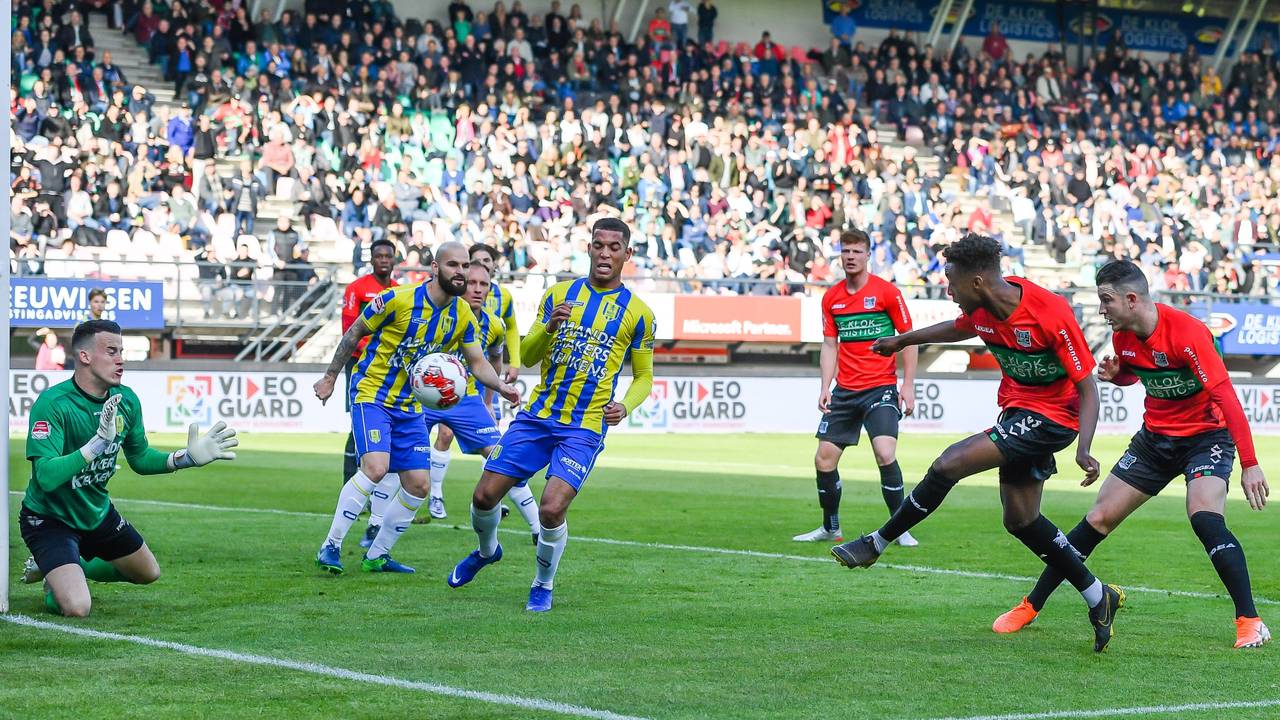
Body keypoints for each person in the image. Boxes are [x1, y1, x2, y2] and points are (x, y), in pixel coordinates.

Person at [830, 234, 1124, 653]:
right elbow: (958, 328)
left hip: (1054, 419)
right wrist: (903, 339)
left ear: (978, 281)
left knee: (949, 463)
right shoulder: (981, 310)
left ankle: (876, 542)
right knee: (1021, 520)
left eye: (952, 283)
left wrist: (1084, 447)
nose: (949, 291)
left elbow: (1087, 387)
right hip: (1017, 413)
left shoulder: (1049, 312)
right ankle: (1098, 595)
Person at [993, 260, 1271, 649]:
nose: (1101, 309)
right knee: (1097, 519)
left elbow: (1226, 397)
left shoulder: (1189, 333)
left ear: (1132, 299)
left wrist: (1250, 464)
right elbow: (1137, 371)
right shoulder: (1123, 337)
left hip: (1206, 438)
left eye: (1106, 300)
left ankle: (1250, 621)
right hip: (1154, 440)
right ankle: (1031, 605)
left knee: (1205, 517)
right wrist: (1118, 376)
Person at [447, 217, 656, 613]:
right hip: (537, 418)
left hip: (584, 426)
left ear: (627, 254)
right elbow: (526, 356)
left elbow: (644, 376)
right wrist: (549, 326)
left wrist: (625, 405)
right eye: (599, 245)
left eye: (614, 247)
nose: (605, 253)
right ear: (589, 249)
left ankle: (542, 585)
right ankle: (487, 551)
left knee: (551, 507)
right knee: (483, 496)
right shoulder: (559, 294)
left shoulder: (639, 314)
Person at [312, 242, 520, 575]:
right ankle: (330, 546)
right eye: (453, 265)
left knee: (419, 484)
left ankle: (377, 555)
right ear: (435, 268)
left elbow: (478, 361)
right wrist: (330, 377)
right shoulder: (398, 299)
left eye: (465, 266)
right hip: (373, 394)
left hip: (410, 405)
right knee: (376, 468)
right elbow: (355, 332)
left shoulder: (462, 314)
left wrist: (500, 386)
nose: (461, 272)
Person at [18, 320, 239, 617]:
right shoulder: (53, 404)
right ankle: (56, 577)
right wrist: (95, 445)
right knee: (78, 607)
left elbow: (140, 457)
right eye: (111, 351)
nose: (120, 359)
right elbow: (45, 477)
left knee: (148, 572)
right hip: (49, 518)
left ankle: (66, 567)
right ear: (84, 356)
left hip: (96, 512)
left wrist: (184, 458)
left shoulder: (127, 400)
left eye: (121, 351)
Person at [361, 264, 541, 546]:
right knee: (400, 460)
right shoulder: (439, 313)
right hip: (424, 397)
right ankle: (375, 524)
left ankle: (538, 527)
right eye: (472, 283)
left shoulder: (494, 324)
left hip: (467, 399)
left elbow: (493, 360)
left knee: (501, 456)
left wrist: (490, 401)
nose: (478, 290)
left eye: (484, 285)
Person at [795, 229, 918, 544]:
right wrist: (825, 386)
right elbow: (829, 345)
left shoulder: (887, 293)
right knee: (823, 459)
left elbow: (908, 339)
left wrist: (908, 385)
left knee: (885, 452)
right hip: (845, 391)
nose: (850, 256)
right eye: (846, 251)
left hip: (880, 388)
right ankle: (831, 527)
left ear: (868, 255)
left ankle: (899, 528)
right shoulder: (831, 298)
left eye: (857, 251)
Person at [425, 243, 522, 521]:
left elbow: (509, 331)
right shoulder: (453, 300)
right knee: (444, 435)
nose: (481, 268)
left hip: (481, 378)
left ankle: (492, 496)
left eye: (486, 261)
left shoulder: (502, 299)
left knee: (494, 446)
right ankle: (435, 494)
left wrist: (511, 367)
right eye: (474, 263)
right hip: (451, 379)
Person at [340, 239, 398, 486]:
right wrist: (379, 350)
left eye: (388, 256)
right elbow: (349, 329)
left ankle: (380, 487)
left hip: (391, 367)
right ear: (372, 259)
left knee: (391, 423)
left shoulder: (399, 291)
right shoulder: (357, 289)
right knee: (359, 424)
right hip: (360, 365)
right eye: (379, 256)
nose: (384, 260)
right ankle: (349, 482)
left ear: (394, 260)